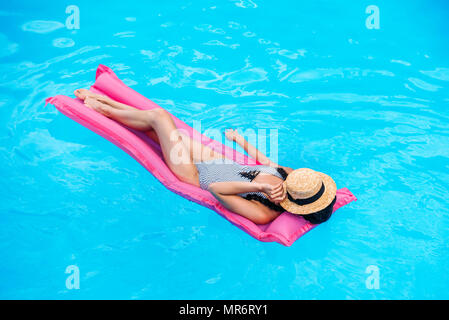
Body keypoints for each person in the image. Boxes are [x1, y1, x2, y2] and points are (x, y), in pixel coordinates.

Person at [74, 89, 337, 225]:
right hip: (216, 160)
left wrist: (258, 186)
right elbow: (267, 164)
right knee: (159, 127)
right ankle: (106, 104)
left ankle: (103, 108)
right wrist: (241, 141)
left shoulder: (265, 213)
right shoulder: (293, 177)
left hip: (194, 174)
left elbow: (216, 189)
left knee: (160, 118)